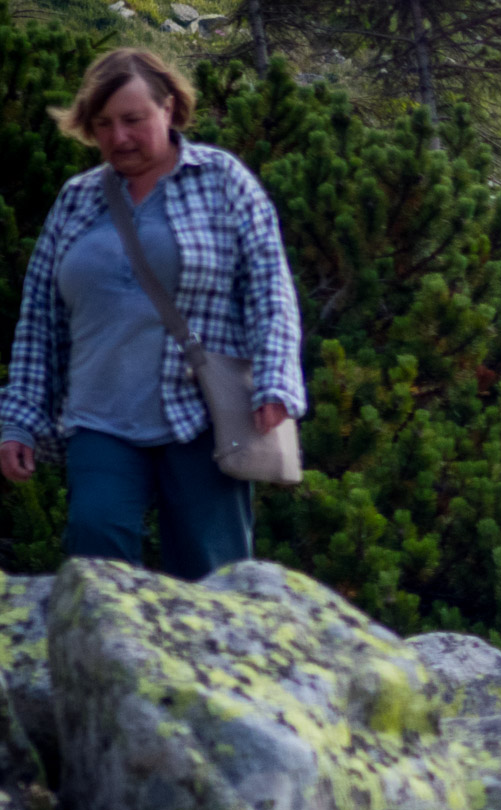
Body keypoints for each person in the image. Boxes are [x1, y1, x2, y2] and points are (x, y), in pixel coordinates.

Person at [0, 47, 304, 580]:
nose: (119, 138)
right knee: (97, 558)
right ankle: (104, 664)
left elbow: (269, 289)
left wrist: (276, 382)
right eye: (104, 124)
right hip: (99, 419)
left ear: (168, 108)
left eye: (133, 120)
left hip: (203, 419)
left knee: (213, 577)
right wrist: (18, 421)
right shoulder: (76, 200)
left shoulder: (223, 181)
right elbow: (38, 322)